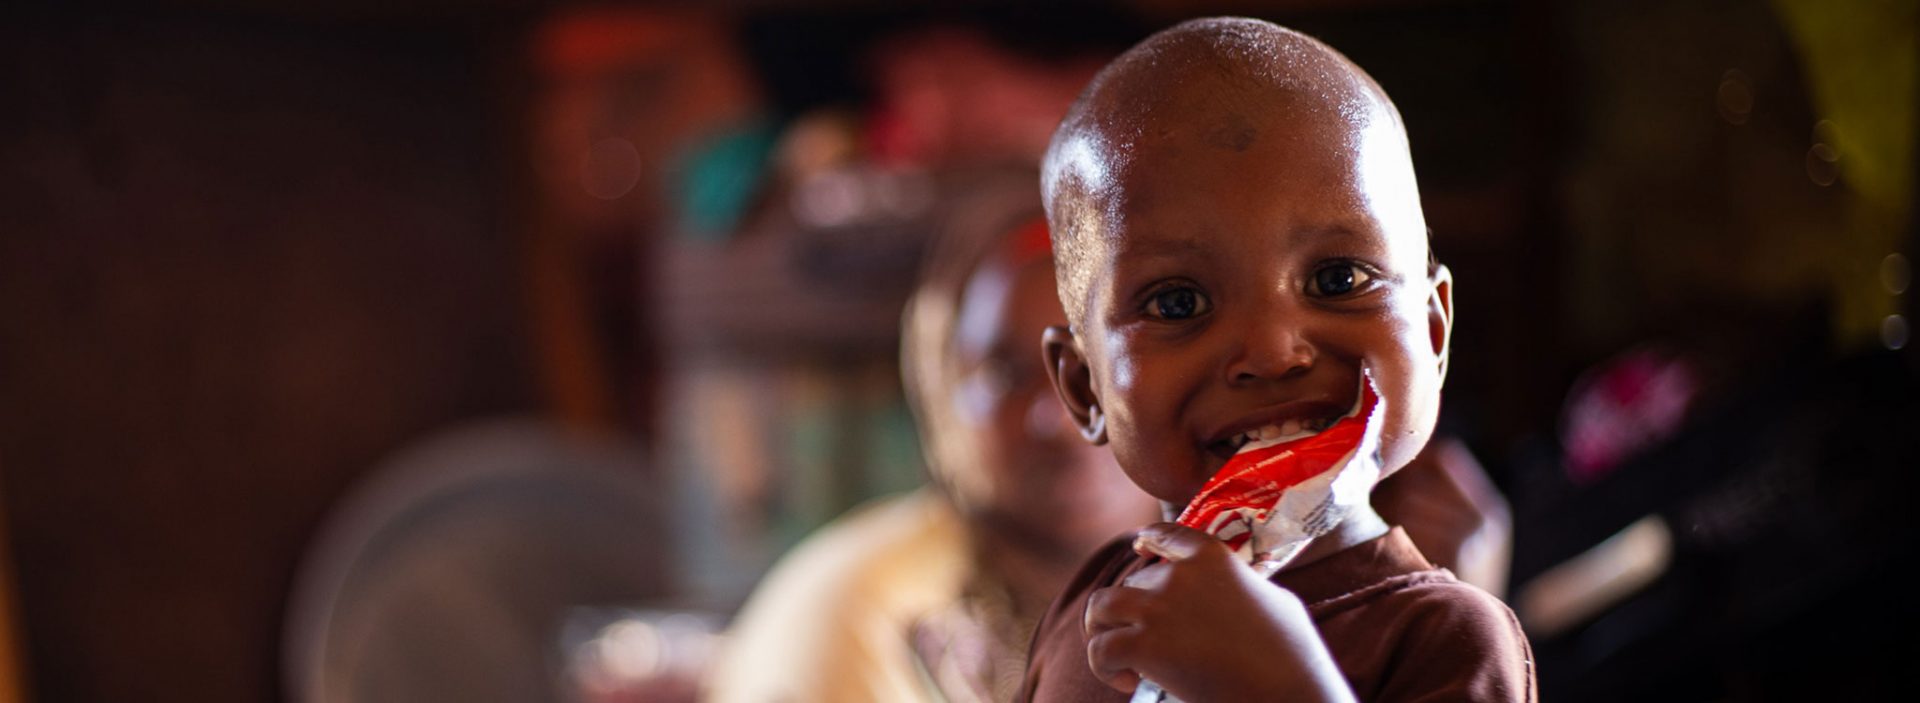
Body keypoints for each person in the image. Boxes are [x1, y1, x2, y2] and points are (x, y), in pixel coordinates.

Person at [1021, 18, 1534, 703]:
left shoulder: (1443, 638)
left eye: (1339, 280)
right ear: (1085, 387)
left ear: (1434, 332)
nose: (1271, 351)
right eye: (1177, 303)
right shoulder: (1092, 610)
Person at [705, 168, 1162, 703]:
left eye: (1096, 369)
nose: (1060, 418)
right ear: (941, 387)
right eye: (1006, 375)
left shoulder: (1244, 579)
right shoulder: (861, 610)